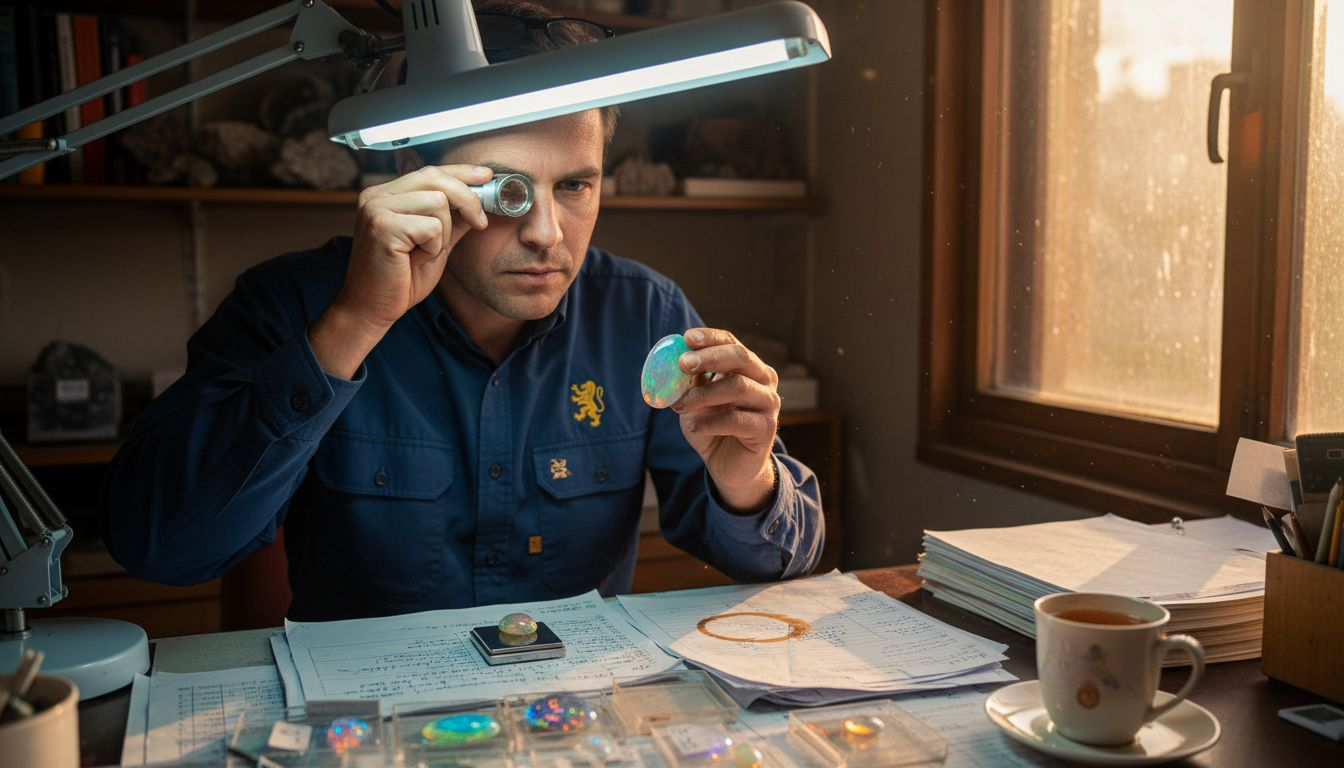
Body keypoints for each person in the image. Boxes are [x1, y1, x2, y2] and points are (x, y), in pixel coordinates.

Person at [101, 0, 824, 621]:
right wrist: (354, 323)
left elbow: (780, 561)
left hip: (567, 716)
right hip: (369, 719)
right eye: (507, 190)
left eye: (574, 187)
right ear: (417, 178)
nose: (546, 232)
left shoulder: (641, 313)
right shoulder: (291, 304)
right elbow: (162, 548)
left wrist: (746, 482)